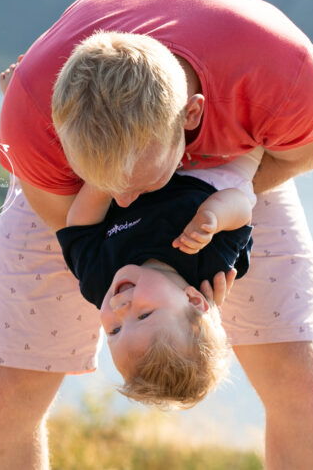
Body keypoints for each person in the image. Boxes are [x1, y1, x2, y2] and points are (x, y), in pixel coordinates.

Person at [0, 0, 313, 469]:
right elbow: (70, 224)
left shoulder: (281, 71)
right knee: (5, 403)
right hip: (77, 196)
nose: (127, 198)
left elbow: (306, 151)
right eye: (108, 175)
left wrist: (223, 198)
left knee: (298, 383)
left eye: (138, 181)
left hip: (226, 164)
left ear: (192, 118)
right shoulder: (33, 112)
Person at [57, 148, 263, 409]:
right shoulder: (208, 266)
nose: (120, 309)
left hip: (140, 168)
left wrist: (107, 179)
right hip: (211, 168)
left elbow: (79, 228)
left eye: (114, 330)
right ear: (194, 300)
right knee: (246, 165)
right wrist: (214, 216)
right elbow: (242, 208)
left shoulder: (99, 280)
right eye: (144, 316)